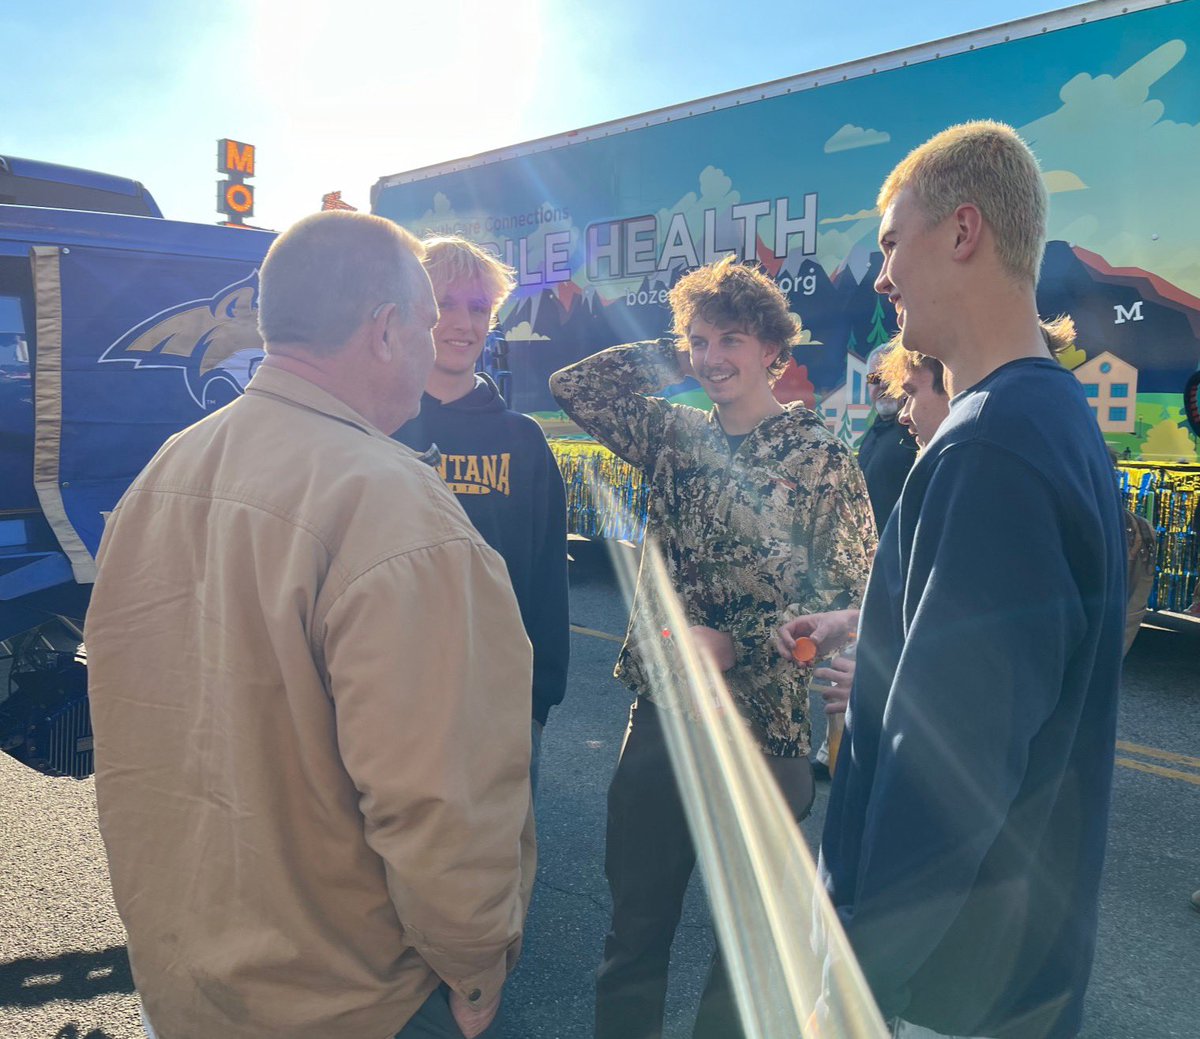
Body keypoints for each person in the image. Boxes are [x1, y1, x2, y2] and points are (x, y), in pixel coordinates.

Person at [85, 212, 535, 1039]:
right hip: (349, 997)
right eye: (430, 322)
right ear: (386, 330)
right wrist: (474, 967)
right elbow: (440, 798)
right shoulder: (394, 506)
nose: (442, 339)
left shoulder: (167, 467)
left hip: (184, 976)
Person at [782, 122, 1127, 1039]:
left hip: (939, 994)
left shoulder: (991, 447)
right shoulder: (1046, 415)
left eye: (893, 242)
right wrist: (879, 624)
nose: (882, 274)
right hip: (1002, 969)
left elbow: (949, 774)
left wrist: (852, 983)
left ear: (964, 231)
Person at [549, 255, 875, 1039]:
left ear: (776, 348)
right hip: (664, 719)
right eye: (700, 341)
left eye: (733, 339)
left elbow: (858, 599)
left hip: (766, 731)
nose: (713, 357)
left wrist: (747, 650)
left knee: (747, 955)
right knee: (636, 934)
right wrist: (675, 350)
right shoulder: (672, 435)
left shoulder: (822, 458)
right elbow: (575, 388)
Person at [393, 236, 569, 792]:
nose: (461, 323)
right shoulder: (374, 427)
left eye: (477, 307)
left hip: (501, 701)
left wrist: (538, 701)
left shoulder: (523, 441)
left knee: (500, 869)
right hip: (390, 696)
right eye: (444, 303)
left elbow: (546, 578)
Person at [858, 343, 918, 531]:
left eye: (891, 376)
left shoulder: (916, 433)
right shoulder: (874, 433)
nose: (882, 384)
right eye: (875, 378)